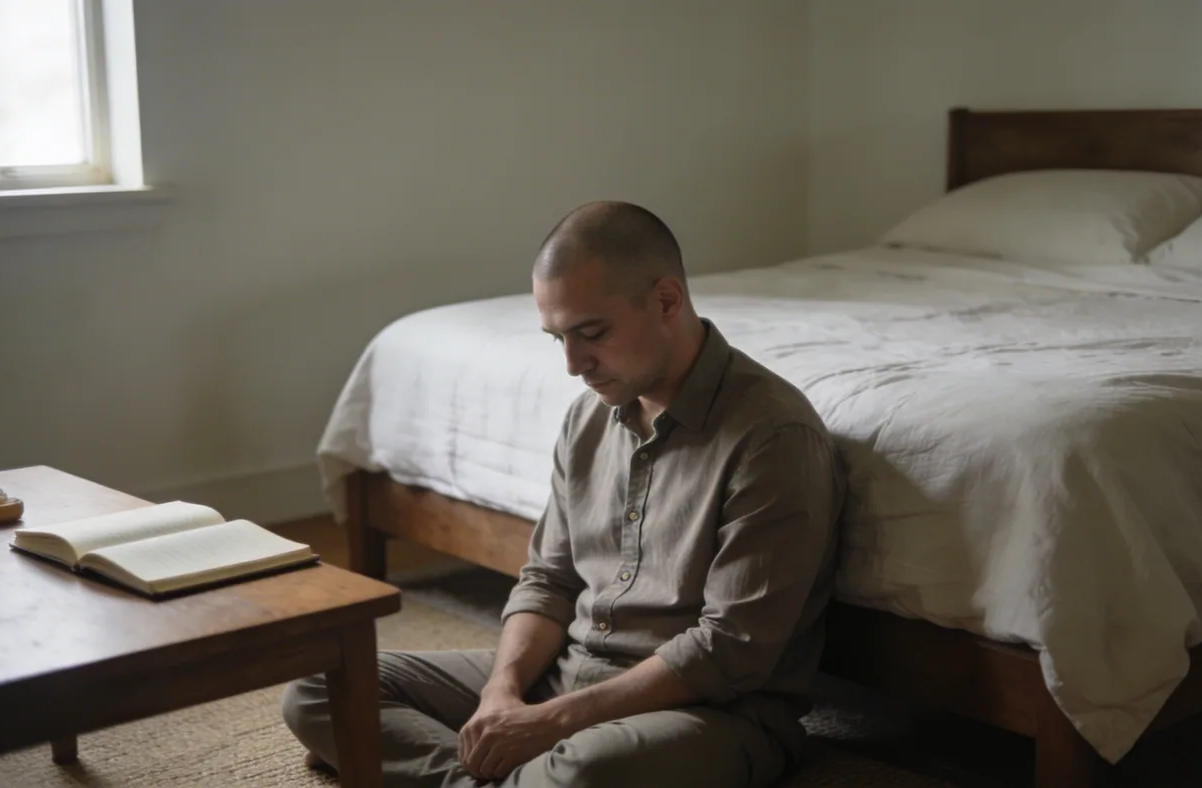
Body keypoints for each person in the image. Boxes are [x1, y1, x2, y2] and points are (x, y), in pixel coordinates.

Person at [282, 200, 847, 787]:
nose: (575, 364)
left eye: (592, 333)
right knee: (322, 687)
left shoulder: (774, 437)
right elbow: (548, 581)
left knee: (584, 773)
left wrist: (552, 723)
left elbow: (730, 650)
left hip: (710, 711)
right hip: (568, 671)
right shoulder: (587, 417)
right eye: (558, 338)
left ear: (666, 300)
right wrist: (501, 696)